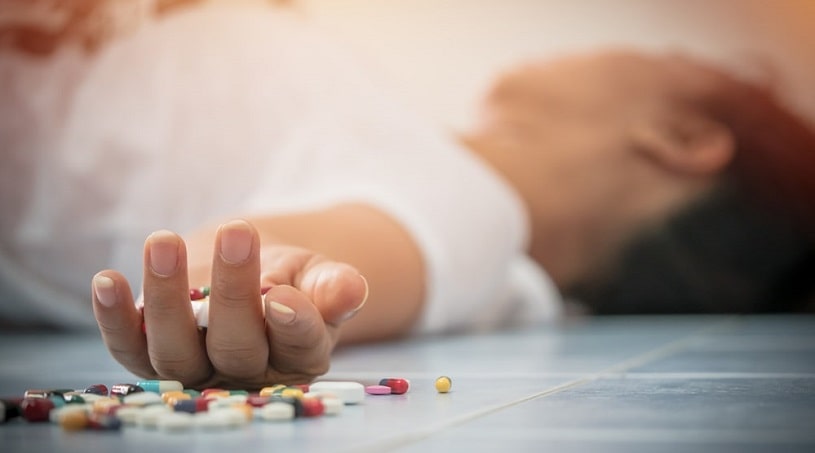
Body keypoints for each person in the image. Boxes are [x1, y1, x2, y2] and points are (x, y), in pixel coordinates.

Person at [1, 1, 813, 389]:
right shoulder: (441, 180)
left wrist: (254, 286)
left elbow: (293, 262)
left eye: (663, 51)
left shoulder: (473, 211)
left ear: (679, 137)